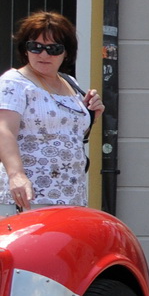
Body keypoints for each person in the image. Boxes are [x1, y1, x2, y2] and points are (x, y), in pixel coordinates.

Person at [0, 12, 103, 212]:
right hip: (28, 197)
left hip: (71, 194)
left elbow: (63, 135)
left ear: (66, 53)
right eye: (35, 47)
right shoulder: (14, 82)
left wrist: (91, 115)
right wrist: (16, 175)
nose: (44, 54)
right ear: (25, 49)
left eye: (53, 49)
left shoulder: (71, 83)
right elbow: (4, 130)